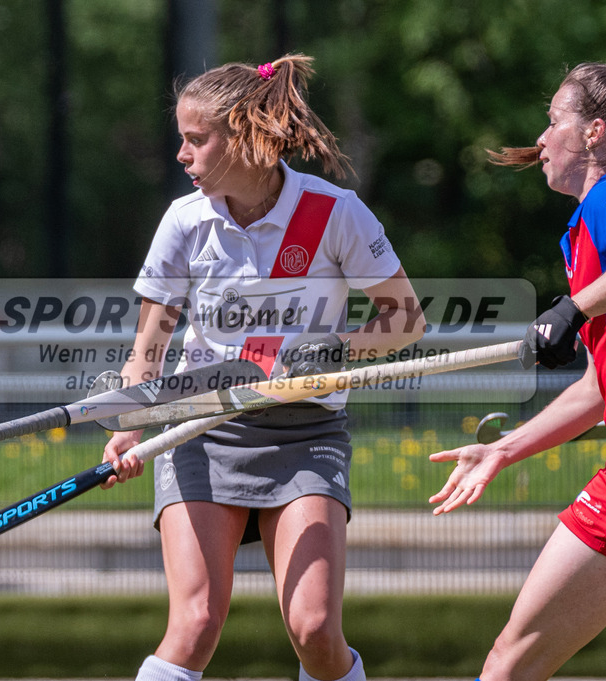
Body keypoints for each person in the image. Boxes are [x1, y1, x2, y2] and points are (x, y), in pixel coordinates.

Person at [102, 54, 425, 681]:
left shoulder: (335, 213)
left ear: (246, 135)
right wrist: (128, 423)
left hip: (304, 434)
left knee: (314, 631)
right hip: (199, 429)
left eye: (196, 139)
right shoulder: (185, 221)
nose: (182, 154)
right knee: (194, 623)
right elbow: (150, 343)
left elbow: (404, 320)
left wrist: (333, 350)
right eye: (182, 140)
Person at [428, 62, 606, 681]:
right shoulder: (597, 236)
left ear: (594, 133)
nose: (543, 136)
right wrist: (504, 449)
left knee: (511, 663)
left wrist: (571, 309)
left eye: (554, 120)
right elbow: (595, 389)